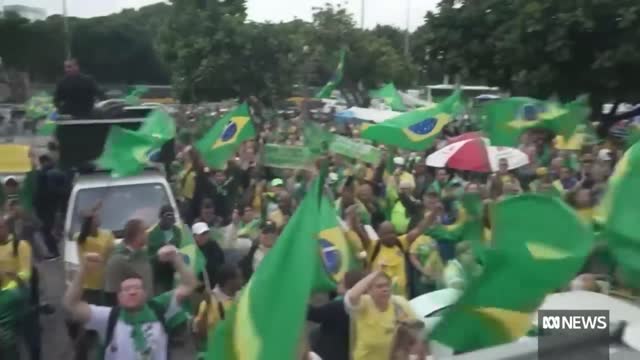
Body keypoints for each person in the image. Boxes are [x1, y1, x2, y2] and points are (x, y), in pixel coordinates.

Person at [63, 245, 196, 360]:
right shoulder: (109, 317)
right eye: (126, 289)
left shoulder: (159, 307)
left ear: (145, 294)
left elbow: (189, 285)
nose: (132, 292)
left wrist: (176, 258)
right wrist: (82, 270)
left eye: (137, 288)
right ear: (119, 297)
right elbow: (71, 304)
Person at [345, 271, 418, 360]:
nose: (385, 289)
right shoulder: (364, 303)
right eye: (379, 286)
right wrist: (374, 274)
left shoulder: (399, 303)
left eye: (387, 285)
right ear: (369, 290)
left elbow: (417, 328)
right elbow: (352, 296)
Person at [307, 270, 366, 360]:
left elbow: (313, 314)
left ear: (349, 285)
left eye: (342, 282)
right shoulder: (365, 304)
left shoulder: (338, 305)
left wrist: (300, 297)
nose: (338, 283)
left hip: (328, 354)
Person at [193, 264, 243, 352]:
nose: (242, 281)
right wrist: (208, 305)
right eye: (239, 278)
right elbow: (201, 334)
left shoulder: (243, 298)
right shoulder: (208, 302)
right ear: (230, 281)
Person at [104, 219, 153, 305]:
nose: (147, 234)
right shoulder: (117, 260)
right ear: (138, 235)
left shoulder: (142, 254)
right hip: (130, 313)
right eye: (145, 232)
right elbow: (112, 294)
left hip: (147, 310)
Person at [147, 206, 182, 295]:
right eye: (167, 215)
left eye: (172, 215)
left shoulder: (177, 231)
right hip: (160, 276)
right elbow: (149, 258)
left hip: (176, 272)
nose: (170, 218)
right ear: (161, 217)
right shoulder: (152, 234)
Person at [192, 222, 225, 288]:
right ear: (195, 236)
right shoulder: (192, 250)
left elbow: (221, 262)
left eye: (206, 233)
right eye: (202, 234)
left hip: (215, 282)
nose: (205, 236)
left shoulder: (214, 245)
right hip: (198, 285)